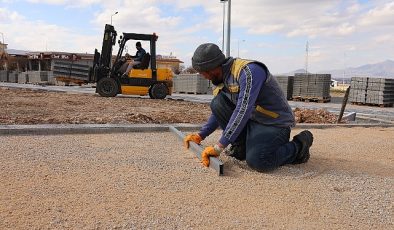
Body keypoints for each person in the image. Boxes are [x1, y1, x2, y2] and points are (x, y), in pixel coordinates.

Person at [183, 43, 313, 172]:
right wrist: (201, 135)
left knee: (259, 161)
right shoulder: (221, 79)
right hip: (253, 120)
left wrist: (219, 146)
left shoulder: (249, 72)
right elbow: (218, 111)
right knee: (217, 103)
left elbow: (243, 110)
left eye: (203, 72)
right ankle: (241, 148)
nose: (203, 76)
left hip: (274, 123)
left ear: (213, 67)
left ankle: (299, 146)